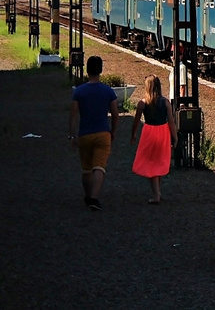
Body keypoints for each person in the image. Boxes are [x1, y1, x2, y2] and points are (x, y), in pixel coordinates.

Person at [68, 56, 119, 211]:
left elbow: (73, 115)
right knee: (100, 167)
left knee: (86, 168)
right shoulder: (108, 91)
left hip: (84, 134)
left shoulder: (79, 92)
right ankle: (94, 198)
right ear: (101, 70)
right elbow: (115, 114)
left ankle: (88, 195)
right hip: (103, 133)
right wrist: (113, 132)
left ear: (87, 70)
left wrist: (72, 135)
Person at [130, 75, 178, 204]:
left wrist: (133, 134)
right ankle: (158, 192)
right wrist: (175, 136)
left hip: (149, 132)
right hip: (163, 132)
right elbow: (171, 121)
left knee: (151, 164)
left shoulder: (143, 103)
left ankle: (156, 195)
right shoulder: (165, 102)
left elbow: (136, 121)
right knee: (159, 162)